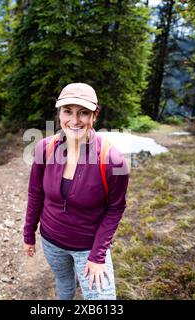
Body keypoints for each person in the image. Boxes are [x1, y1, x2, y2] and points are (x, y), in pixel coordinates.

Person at [23, 82, 129, 300]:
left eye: (83, 113)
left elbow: (116, 209)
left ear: (95, 115)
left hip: (89, 246)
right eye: (67, 111)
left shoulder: (112, 160)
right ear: (59, 112)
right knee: (64, 282)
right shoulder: (45, 148)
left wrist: (98, 255)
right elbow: (36, 194)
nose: (74, 120)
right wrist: (28, 234)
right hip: (51, 240)